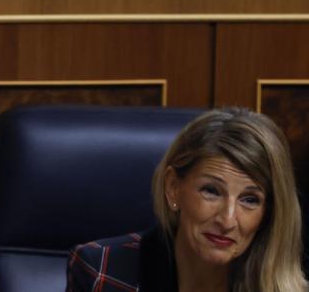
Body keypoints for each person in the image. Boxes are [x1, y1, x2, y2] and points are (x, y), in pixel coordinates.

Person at [68, 108, 307, 292]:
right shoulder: (102, 272)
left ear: (268, 212)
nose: (227, 220)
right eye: (211, 191)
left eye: (250, 199)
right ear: (173, 188)